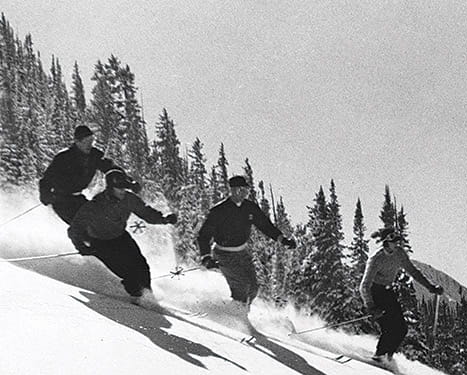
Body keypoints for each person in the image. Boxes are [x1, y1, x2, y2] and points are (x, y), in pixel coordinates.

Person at [197, 175, 296, 333]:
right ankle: (238, 321)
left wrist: (282, 239)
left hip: (242, 252)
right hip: (224, 254)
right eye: (242, 190)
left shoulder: (249, 208)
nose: (245, 193)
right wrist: (206, 257)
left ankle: (238, 313)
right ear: (234, 190)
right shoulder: (219, 210)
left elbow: (265, 225)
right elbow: (204, 235)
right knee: (241, 287)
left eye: (247, 190)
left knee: (253, 288)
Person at [67, 169, 177, 303]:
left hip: (120, 237)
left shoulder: (129, 199)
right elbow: (75, 228)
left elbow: (146, 212)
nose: (122, 190)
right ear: (110, 188)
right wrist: (81, 246)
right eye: (119, 188)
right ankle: (137, 295)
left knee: (141, 265)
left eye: (125, 187)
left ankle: (148, 295)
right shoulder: (96, 204)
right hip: (100, 242)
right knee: (125, 271)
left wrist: (163, 219)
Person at [359, 226, 443, 363]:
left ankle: (388, 357)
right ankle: (379, 356)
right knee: (388, 328)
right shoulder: (376, 259)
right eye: (394, 240)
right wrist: (371, 307)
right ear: (386, 241)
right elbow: (364, 286)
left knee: (402, 329)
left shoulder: (399, 254)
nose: (397, 243)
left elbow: (413, 272)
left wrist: (430, 287)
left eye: (398, 240)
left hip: (387, 292)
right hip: (375, 292)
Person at [39, 125, 140, 224]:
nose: (89, 144)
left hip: (78, 198)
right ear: (77, 142)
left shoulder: (94, 156)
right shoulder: (63, 158)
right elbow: (46, 179)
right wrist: (45, 194)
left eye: (91, 141)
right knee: (86, 226)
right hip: (62, 201)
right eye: (85, 141)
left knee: (100, 221)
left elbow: (112, 170)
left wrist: (130, 182)